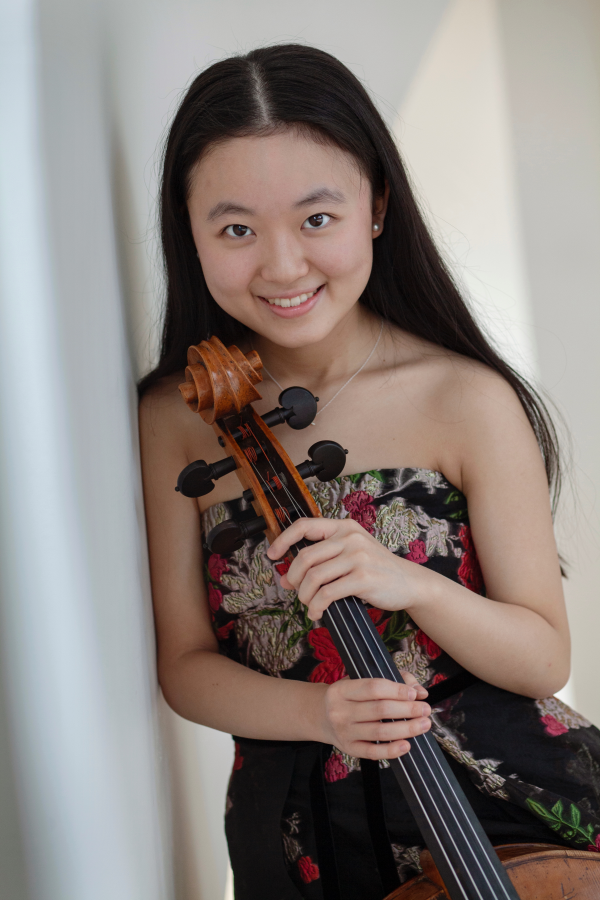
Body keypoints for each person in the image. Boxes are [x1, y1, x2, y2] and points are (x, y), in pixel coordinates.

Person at [139, 44, 600, 900]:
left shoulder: (464, 397)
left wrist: (408, 583)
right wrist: (318, 713)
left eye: (318, 219)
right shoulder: (177, 419)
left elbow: (541, 656)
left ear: (376, 206)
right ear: (188, 229)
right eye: (236, 228)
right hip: (306, 836)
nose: (282, 266)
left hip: (513, 810)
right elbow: (185, 665)